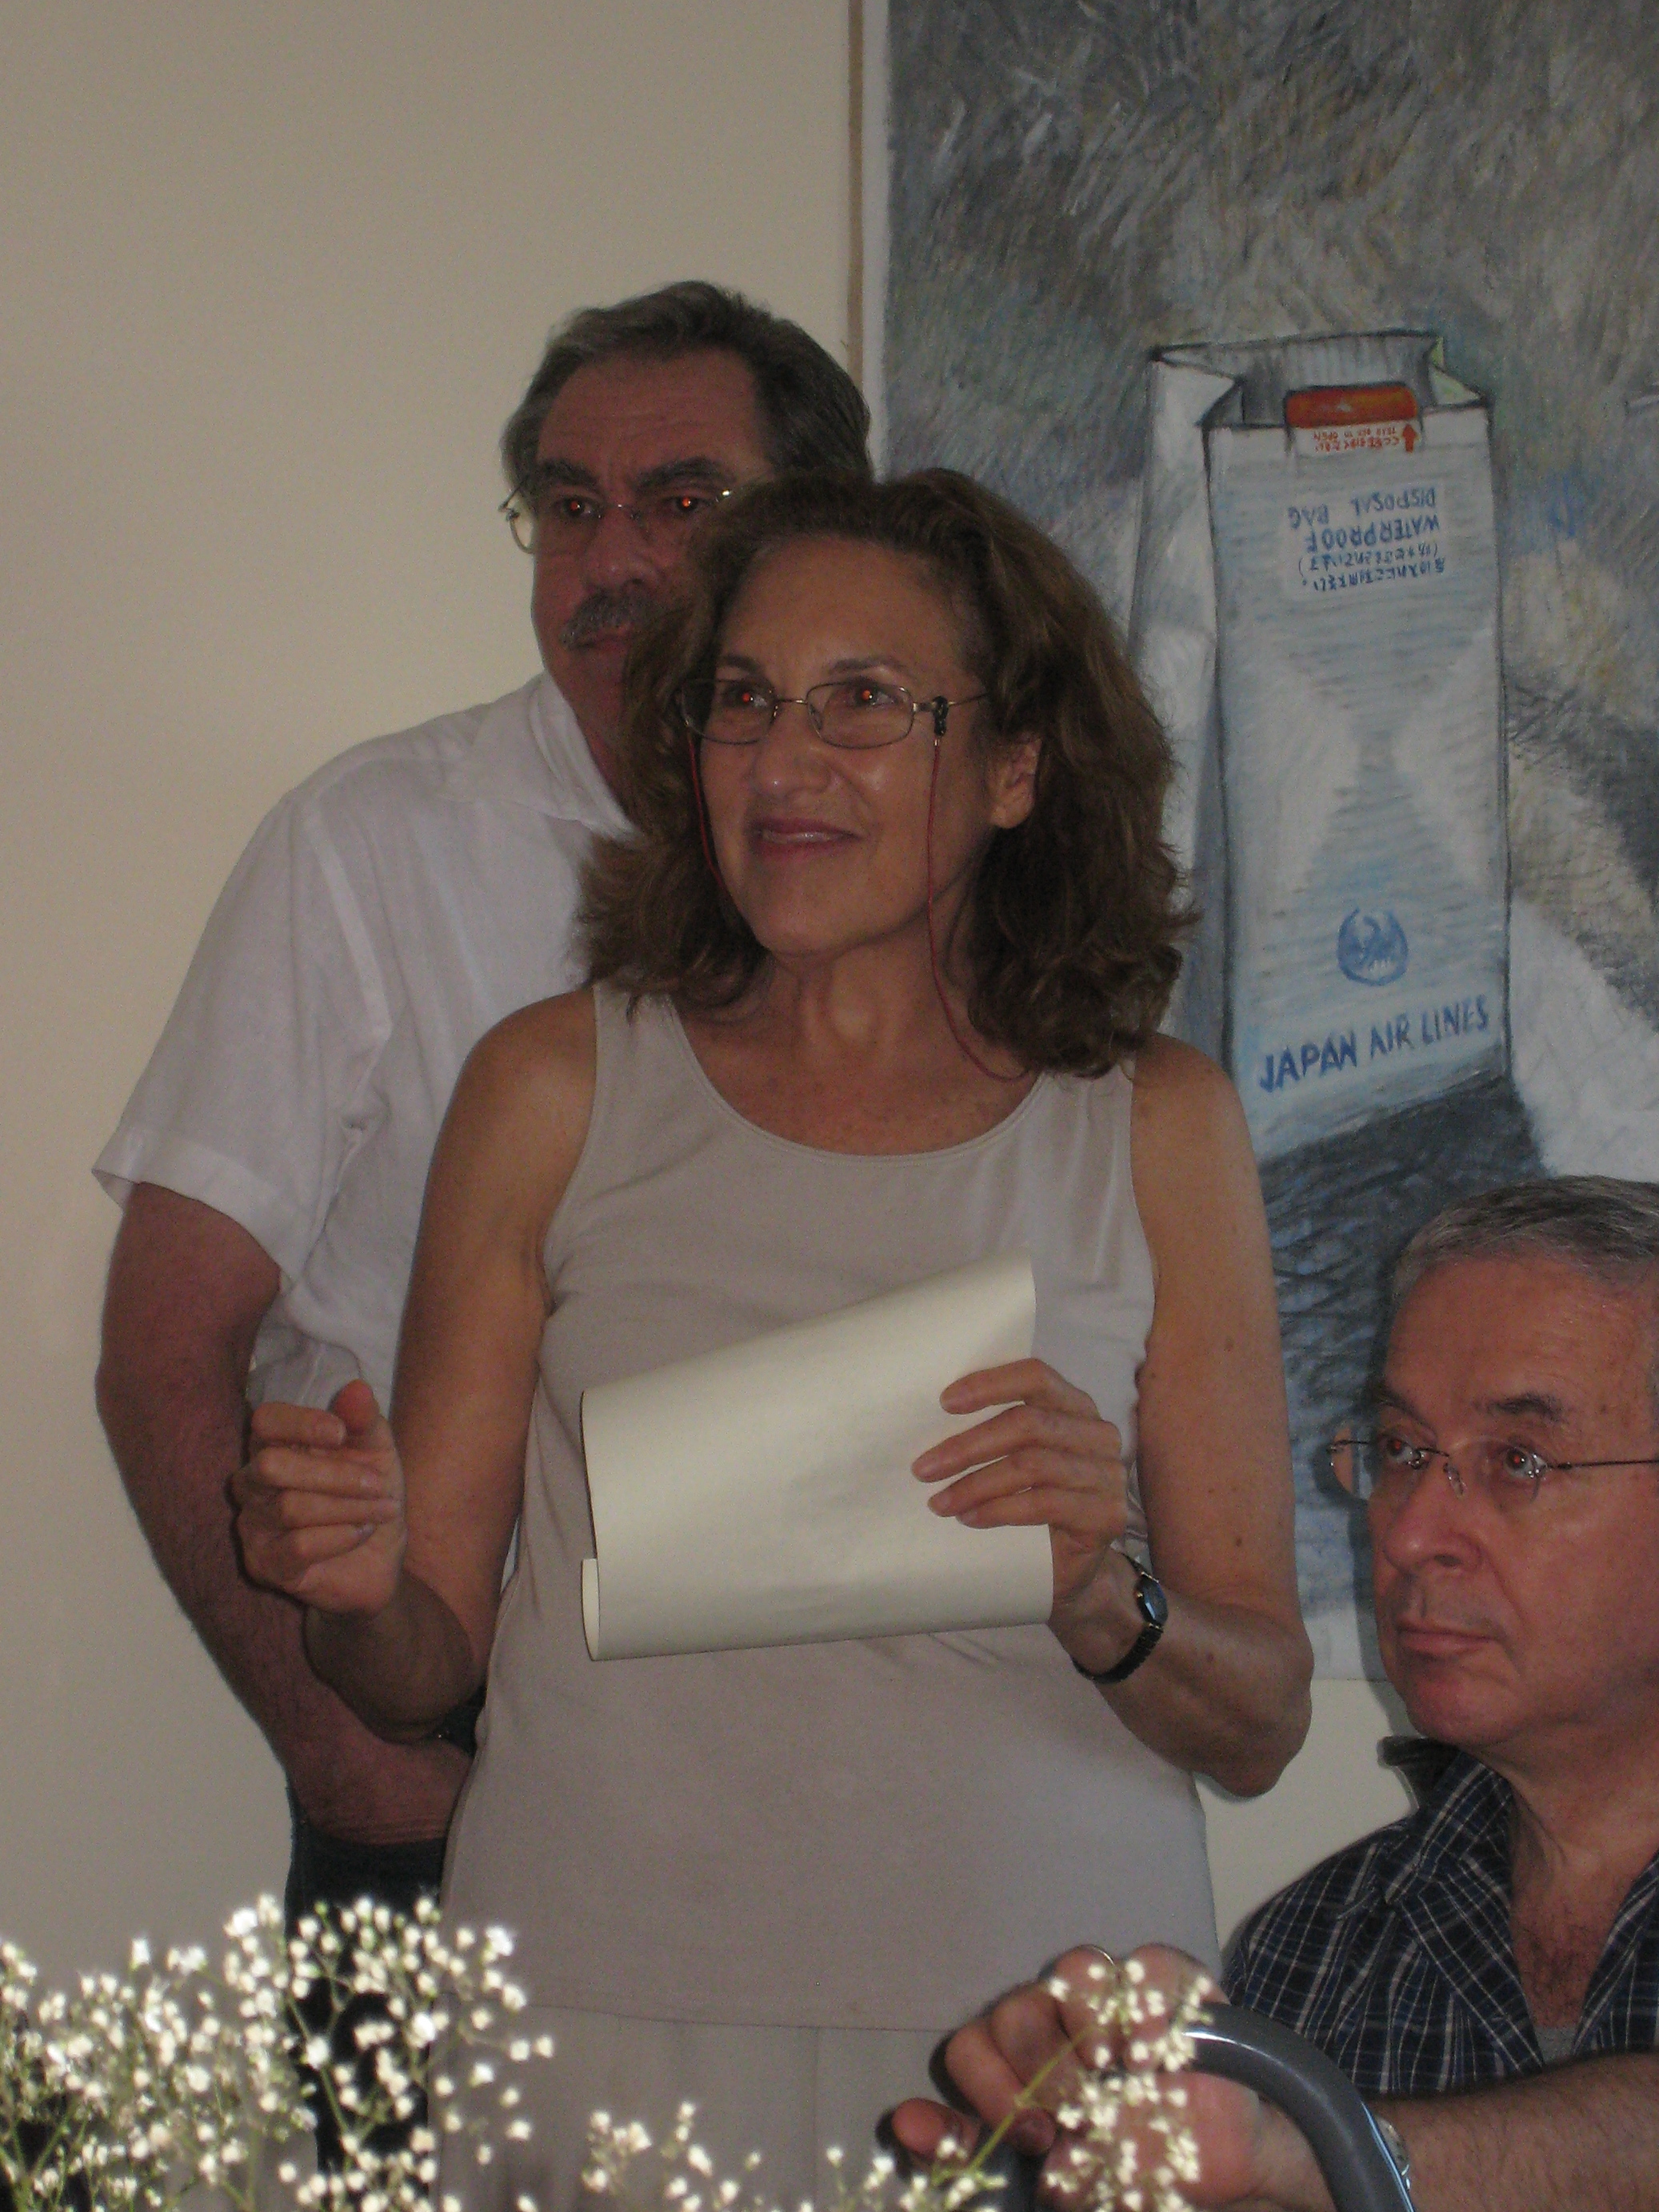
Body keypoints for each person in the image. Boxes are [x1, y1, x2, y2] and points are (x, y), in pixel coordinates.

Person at [233, 467, 1313, 2203]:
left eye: (862, 701)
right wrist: (352, 1593)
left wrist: (1101, 1592)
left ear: (1015, 765)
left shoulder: (1156, 1123)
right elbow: (421, 1665)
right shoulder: (550, 1086)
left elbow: (1257, 1721)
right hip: (594, 2016)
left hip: (1042, 2041)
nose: (781, 760)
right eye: (741, 701)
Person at [93, 281, 873, 1931]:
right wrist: (348, 1763)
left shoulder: (905, 876)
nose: (611, 562)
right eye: (568, 506)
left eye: (682, 501)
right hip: (439, 1750)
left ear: (821, 535)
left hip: (817, 1757)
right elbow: (163, 1344)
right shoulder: (373, 847)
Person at [893, 1177, 1659, 2211]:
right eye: (1401, 1450)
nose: (1408, 1533)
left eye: (1517, 1460)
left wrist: (1316, 2145)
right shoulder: (1322, 1943)